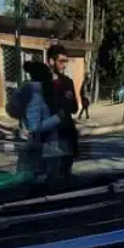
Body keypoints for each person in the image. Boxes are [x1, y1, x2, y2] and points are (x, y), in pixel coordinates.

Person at [47, 44, 79, 177]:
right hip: (51, 135)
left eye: (65, 61)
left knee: (66, 172)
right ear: (51, 61)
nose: (64, 65)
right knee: (52, 174)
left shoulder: (68, 82)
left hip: (67, 132)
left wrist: (67, 101)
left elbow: (75, 108)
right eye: (61, 61)